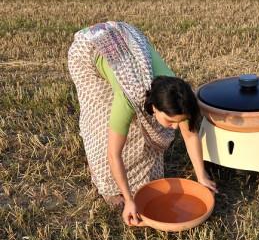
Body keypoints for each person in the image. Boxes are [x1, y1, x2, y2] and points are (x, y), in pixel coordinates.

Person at [67, 21, 217, 226]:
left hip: (126, 42)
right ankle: (107, 186)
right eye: (171, 121)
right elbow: (114, 154)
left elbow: (190, 135)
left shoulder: (180, 95)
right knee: (103, 123)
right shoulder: (128, 98)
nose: (175, 128)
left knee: (144, 137)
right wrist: (129, 201)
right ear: (154, 106)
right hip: (89, 49)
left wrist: (201, 176)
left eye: (179, 121)